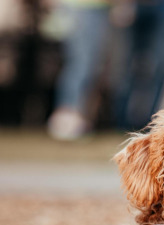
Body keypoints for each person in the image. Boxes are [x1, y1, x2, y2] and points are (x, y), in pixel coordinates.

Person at [47, 0, 111, 140]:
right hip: (81, 7)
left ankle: (79, 118)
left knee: (90, 68)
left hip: (98, 7)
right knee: (81, 66)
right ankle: (65, 120)